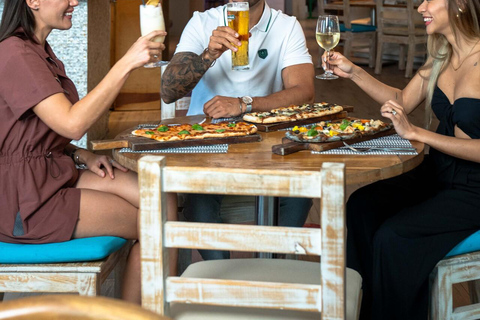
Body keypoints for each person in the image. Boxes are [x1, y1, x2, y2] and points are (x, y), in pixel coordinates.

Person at [0, 0, 177, 304]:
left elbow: (29, 132)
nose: (74, 2)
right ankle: (136, 313)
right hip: (24, 199)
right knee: (151, 224)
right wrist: (126, 62)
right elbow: (72, 123)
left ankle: (155, 308)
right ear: (33, 1)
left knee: (160, 196)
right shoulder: (14, 53)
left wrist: (81, 155)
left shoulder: (39, 50)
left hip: (51, 172)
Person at [321, 0, 480, 318]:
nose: (421, 7)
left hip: (474, 191)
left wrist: (418, 134)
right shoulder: (442, 55)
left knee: (393, 236)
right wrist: (354, 73)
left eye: (429, 0)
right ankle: (361, 310)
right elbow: (402, 100)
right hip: (438, 173)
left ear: (460, 4)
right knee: (361, 206)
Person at [161, 0, 315, 260]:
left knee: (298, 198)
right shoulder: (202, 22)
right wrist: (209, 54)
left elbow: (304, 92)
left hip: (265, 141)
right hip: (207, 141)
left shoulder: (285, 26)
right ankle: (221, 275)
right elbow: (168, 92)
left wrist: (245, 104)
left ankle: (271, 271)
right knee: (200, 203)